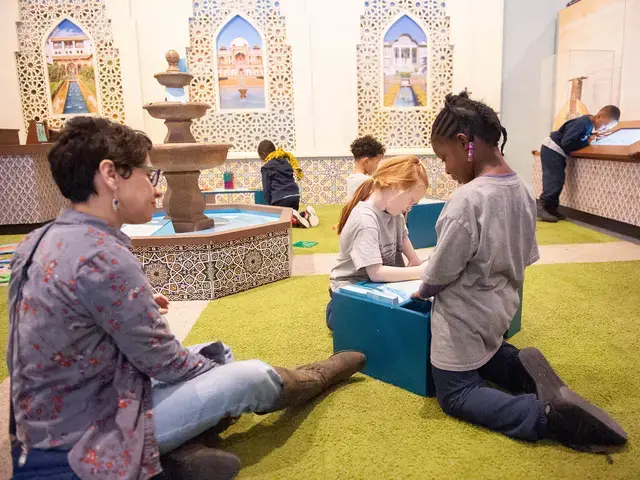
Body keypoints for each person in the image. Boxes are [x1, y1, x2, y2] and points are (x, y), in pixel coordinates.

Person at [7, 117, 366, 480]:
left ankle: (182, 451)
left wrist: (141, 307)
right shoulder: (103, 257)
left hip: (60, 418)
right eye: (150, 175)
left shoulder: (36, 240)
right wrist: (220, 377)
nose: (158, 190)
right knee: (246, 375)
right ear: (110, 174)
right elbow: (165, 363)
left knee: (212, 350)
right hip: (90, 437)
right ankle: (316, 376)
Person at [413, 91, 627, 455]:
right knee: (490, 353)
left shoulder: (467, 200)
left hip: (462, 323)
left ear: (465, 144)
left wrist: (422, 289)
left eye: (445, 157)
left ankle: (546, 415)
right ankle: (517, 366)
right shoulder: (523, 190)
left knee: (457, 393)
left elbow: (441, 271)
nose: (446, 169)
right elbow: (525, 255)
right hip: (499, 314)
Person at [326, 155, 427, 330]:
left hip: (380, 289)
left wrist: (425, 270)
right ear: (396, 186)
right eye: (411, 200)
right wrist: (420, 272)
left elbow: (414, 260)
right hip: (349, 296)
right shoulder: (365, 219)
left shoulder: (396, 214)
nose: (410, 207)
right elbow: (376, 273)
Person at [538, 106, 620, 222]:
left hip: (556, 150)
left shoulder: (587, 123)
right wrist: (587, 141)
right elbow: (566, 143)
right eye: (605, 125)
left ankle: (551, 209)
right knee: (554, 179)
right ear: (600, 116)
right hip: (553, 148)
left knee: (558, 180)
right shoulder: (583, 123)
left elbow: (575, 138)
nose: (604, 129)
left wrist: (591, 136)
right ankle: (542, 207)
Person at [258, 140, 319, 228]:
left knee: (279, 218)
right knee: (291, 211)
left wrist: (270, 207)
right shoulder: (286, 162)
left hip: (280, 199)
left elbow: (266, 189)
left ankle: (293, 218)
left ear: (263, 153)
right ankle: (305, 214)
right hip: (295, 196)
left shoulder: (266, 167)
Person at [346, 135, 386, 200]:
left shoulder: (351, 178)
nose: (377, 166)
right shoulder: (366, 181)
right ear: (366, 161)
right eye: (377, 162)